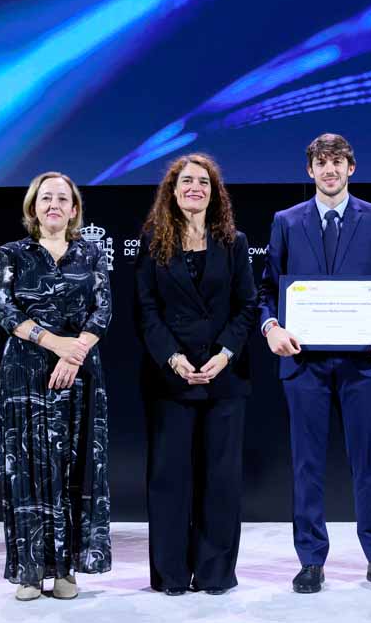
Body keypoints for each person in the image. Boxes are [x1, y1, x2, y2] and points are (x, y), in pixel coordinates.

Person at [259, 133, 371, 594]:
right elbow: (268, 291)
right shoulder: (285, 221)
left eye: (338, 161)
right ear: (310, 171)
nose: (329, 170)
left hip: (363, 363)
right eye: (321, 163)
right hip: (303, 363)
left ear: (352, 168)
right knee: (306, 464)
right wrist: (272, 328)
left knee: (367, 464)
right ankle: (311, 560)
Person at [134, 153, 257, 595]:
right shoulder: (153, 241)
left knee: (220, 480)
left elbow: (247, 305)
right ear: (172, 189)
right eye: (186, 182)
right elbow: (146, 311)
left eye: (203, 183)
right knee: (169, 480)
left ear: (214, 191)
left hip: (225, 378)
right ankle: (170, 574)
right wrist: (173, 358)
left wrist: (224, 354)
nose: (194, 189)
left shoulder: (234, 241)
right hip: (170, 379)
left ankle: (215, 573)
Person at [0, 171, 112, 601]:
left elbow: (103, 310)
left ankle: (66, 571)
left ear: (74, 209)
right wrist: (53, 343)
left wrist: (73, 353)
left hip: (79, 375)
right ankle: (29, 571)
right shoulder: (12, 253)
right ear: (33, 206)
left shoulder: (92, 253)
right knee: (26, 468)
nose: (54, 205)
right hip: (25, 374)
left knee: (73, 468)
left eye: (63, 198)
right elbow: (3, 309)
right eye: (46, 198)